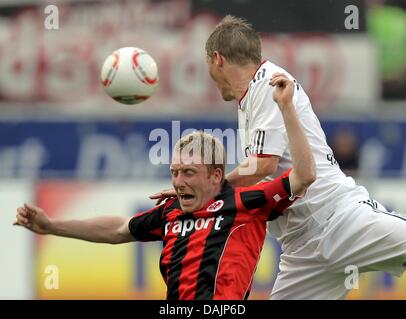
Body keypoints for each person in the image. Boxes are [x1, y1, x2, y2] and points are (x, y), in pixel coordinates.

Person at [151, 15, 406, 300]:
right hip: (301, 248)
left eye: (208, 63)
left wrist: (207, 190)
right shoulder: (248, 97)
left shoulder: (268, 84)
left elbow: (263, 165)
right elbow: (257, 170)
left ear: (217, 59)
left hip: (338, 219)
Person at [14, 76, 316, 300]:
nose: (178, 181)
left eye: (188, 172)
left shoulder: (248, 203)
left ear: (215, 176)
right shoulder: (170, 211)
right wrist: (51, 226)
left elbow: (304, 174)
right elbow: (118, 229)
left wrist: (287, 107)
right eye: (174, 172)